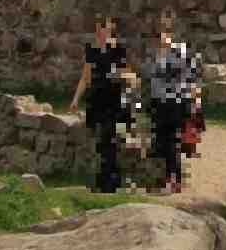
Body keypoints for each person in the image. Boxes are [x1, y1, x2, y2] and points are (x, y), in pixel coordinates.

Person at [68, 14, 133, 195]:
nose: (101, 31)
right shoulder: (92, 50)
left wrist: (118, 75)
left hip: (113, 101)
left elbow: (129, 75)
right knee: (101, 141)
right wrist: (75, 99)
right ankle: (104, 181)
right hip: (96, 101)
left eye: (104, 27)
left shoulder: (118, 49)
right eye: (99, 27)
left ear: (110, 28)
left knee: (108, 139)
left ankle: (110, 183)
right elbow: (85, 77)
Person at [142, 14, 202, 195]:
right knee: (162, 143)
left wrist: (194, 103)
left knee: (171, 142)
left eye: (166, 32)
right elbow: (148, 75)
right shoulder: (153, 55)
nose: (163, 36)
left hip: (176, 103)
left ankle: (173, 180)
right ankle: (171, 179)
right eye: (159, 33)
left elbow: (190, 77)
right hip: (158, 103)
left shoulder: (179, 52)